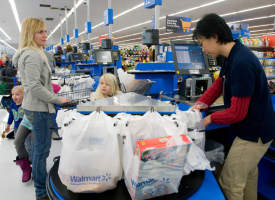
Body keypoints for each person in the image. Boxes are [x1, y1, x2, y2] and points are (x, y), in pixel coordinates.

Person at [192, 13, 275, 200]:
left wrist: (209, 118)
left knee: (230, 183)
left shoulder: (242, 63)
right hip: (255, 127)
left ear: (214, 37)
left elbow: (237, 113)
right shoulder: (233, 55)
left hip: (254, 133)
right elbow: (219, 84)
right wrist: (199, 105)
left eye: (203, 42)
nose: (203, 49)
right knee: (248, 175)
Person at [12, 18, 70, 200]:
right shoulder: (33, 55)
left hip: (32, 108)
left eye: (45, 31)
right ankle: (41, 193)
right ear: (31, 34)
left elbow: (34, 84)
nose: (45, 35)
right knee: (41, 152)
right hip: (39, 110)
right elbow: (34, 87)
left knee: (37, 149)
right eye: (40, 32)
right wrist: (57, 99)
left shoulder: (31, 53)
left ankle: (39, 187)